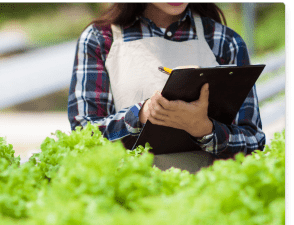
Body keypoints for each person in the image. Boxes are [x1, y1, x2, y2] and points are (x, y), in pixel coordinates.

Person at [68, 3, 266, 172]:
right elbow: (83, 136)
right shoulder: (99, 39)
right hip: (129, 202)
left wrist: (205, 129)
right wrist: (141, 115)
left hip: (208, 200)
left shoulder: (224, 42)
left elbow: (253, 141)